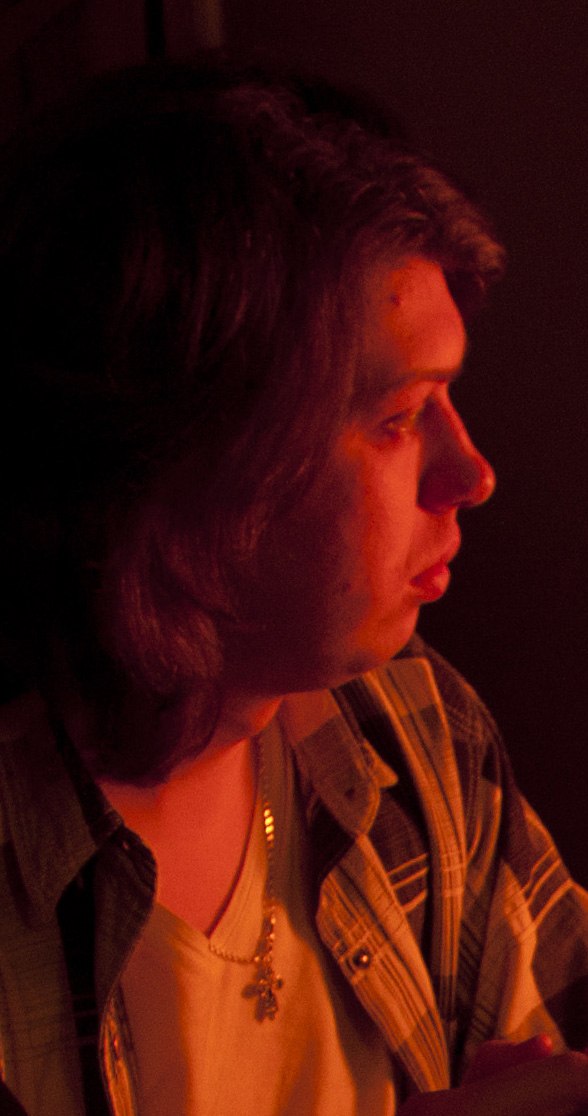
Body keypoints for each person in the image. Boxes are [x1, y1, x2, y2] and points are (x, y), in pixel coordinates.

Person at [0, 57, 587, 1116]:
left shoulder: (415, 732)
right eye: (397, 418)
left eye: (447, 399)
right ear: (181, 475)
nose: (470, 473)